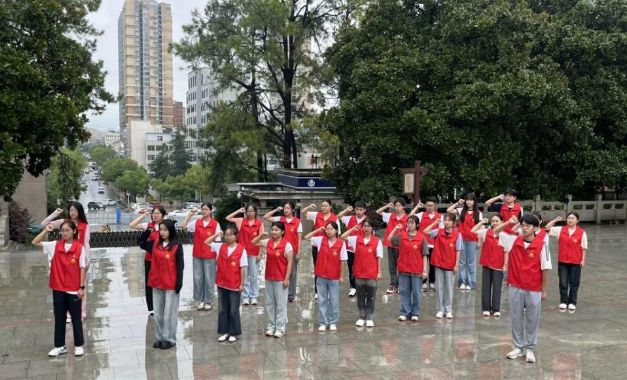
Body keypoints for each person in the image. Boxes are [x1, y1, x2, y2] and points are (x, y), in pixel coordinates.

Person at [497, 215, 552, 364]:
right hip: (515, 285)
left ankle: (529, 348)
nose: (525, 228)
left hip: (533, 288)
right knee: (516, 317)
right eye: (523, 225)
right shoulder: (515, 241)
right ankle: (518, 346)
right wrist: (508, 222)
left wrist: (543, 290)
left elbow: (545, 269)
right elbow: (496, 232)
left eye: (528, 225)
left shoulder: (542, 245)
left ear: (536, 228)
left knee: (533, 319)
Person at [33, 222, 87, 357]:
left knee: (76, 318)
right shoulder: (55, 245)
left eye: (67, 230)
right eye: (62, 231)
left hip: (73, 289)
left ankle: (79, 345)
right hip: (58, 288)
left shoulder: (79, 248)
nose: (64, 233)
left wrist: (81, 287)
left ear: (74, 231)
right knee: (59, 318)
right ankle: (60, 346)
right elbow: (35, 242)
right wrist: (46, 230)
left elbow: (82, 268)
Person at [138, 219, 184, 349]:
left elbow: (180, 267)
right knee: (158, 313)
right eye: (161, 230)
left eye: (165, 230)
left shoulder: (176, 246)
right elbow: (141, 243)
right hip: (156, 284)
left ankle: (169, 339)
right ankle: (159, 337)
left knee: (169, 313)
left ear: (171, 231)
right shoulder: (155, 244)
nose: (163, 232)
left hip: (170, 284)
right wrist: (148, 230)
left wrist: (178, 284)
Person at [42, 202, 91, 320]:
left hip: (79, 258)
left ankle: (81, 313)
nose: (73, 213)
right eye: (71, 210)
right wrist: (55, 213)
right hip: (64, 258)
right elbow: (44, 224)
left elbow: (86, 243)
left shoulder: (85, 226)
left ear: (79, 212)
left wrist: (87, 259)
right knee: (66, 286)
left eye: (75, 210)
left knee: (81, 285)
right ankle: (68, 313)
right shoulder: (64, 222)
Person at [204, 226, 247, 342]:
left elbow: (242, 268)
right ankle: (224, 331)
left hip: (234, 284)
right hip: (222, 283)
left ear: (236, 236)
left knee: (233, 309)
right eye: (227, 234)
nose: (228, 237)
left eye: (231, 234)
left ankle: (233, 332)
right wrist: (217, 235)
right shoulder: (220, 246)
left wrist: (242, 284)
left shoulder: (241, 250)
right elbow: (206, 242)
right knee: (222, 309)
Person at [251, 222, 294, 338]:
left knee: (280, 304)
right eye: (272, 230)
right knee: (270, 303)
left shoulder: (287, 245)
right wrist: (260, 235)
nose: (274, 232)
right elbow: (253, 243)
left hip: (281, 278)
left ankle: (280, 328)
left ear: (283, 232)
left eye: (277, 230)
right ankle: (271, 326)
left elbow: (290, 263)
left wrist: (286, 279)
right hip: (269, 277)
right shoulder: (268, 242)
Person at [304, 221, 347, 332]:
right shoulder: (320, 240)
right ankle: (323, 322)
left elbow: (342, 261)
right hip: (321, 275)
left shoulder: (341, 243)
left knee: (333, 300)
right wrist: (318, 230)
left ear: (336, 230)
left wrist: (341, 276)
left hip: (334, 276)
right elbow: (306, 237)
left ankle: (333, 322)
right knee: (322, 300)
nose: (328, 231)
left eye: (331, 229)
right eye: (327, 229)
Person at [341, 219, 383, 327]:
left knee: (371, 296)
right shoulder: (356, 239)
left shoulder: (377, 241)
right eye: (364, 226)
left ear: (372, 228)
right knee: (360, 296)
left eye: (369, 226)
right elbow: (343, 237)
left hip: (371, 273)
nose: (366, 228)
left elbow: (379, 258)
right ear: (361, 227)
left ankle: (369, 316)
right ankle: (361, 315)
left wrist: (379, 272)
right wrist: (352, 229)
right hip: (359, 273)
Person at [388, 215, 428, 322]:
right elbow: (389, 239)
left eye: (412, 223)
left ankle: (415, 313)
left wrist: (425, 270)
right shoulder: (402, 236)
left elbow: (424, 254)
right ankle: (405, 312)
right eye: (408, 223)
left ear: (417, 225)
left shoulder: (421, 238)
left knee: (416, 292)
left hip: (416, 270)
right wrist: (395, 229)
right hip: (403, 269)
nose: (409, 225)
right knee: (404, 292)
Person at [182, 203, 221, 311]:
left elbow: (217, 242)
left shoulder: (215, 224)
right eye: (202, 209)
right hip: (197, 255)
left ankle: (208, 300)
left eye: (206, 209)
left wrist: (218, 257)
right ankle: (201, 300)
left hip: (210, 255)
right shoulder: (197, 222)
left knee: (209, 278)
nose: (204, 211)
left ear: (211, 211)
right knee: (198, 278)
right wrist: (189, 215)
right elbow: (184, 226)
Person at [545, 213, 587, 311]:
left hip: (576, 261)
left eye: (573, 218)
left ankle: (572, 302)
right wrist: (555, 220)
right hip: (563, 260)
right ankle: (563, 301)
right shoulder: (561, 230)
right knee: (563, 282)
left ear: (577, 220)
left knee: (574, 283)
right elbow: (546, 228)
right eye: (569, 218)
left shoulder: (581, 233)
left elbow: (584, 247)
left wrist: (583, 260)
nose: (570, 220)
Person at [423, 213, 462, 319]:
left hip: (450, 264)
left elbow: (458, 250)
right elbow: (425, 231)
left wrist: (456, 265)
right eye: (445, 220)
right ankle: (440, 309)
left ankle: (448, 310)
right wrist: (434, 223)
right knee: (439, 287)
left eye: (449, 220)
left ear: (454, 223)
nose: (446, 222)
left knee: (449, 288)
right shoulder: (438, 232)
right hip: (439, 263)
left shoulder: (458, 235)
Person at [130, 206, 167, 314]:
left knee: (163, 281)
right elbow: (132, 225)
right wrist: (142, 216)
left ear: (163, 215)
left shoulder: (166, 226)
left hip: (163, 259)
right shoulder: (148, 226)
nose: (155, 215)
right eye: (154, 213)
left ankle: (163, 305)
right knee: (150, 283)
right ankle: (152, 308)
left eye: (158, 213)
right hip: (150, 259)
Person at [264, 202, 303, 302]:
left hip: (292, 251)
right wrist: (276, 210)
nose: (286, 210)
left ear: (293, 210)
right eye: (285, 208)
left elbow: (299, 238)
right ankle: (281, 292)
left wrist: (299, 252)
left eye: (288, 208)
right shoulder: (280, 219)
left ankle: (291, 295)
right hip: (279, 250)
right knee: (281, 272)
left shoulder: (298, 222)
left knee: (292, 274)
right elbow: (266, 217)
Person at [226, 205, 264, 306]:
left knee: (254, 276)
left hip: (254, 252)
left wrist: (260, 253)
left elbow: (260, 239)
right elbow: (228, 218)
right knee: (244, 275)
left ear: (256, 212)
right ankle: (245, 297)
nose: (250, 213)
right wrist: (239, 210)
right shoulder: (241, 221)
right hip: (242, 253)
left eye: (252, 211)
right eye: (248, 211)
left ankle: (254, 296)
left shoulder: (259, 223)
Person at [471, 215, 507, 316]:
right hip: (486, 263)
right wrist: (481, 223)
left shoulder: (504, 235)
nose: (495, 223)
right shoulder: (486, 232)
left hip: (498, 265)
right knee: (486, 287)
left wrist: (505, 264)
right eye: (493, 221)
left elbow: (506, 251)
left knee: (497, 287)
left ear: (502, 222)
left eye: (497, 221)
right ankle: (486, 308)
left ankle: (496, 309)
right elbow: (473, 231)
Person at [302, 200, 339, 298]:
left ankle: (328, 289)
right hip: (317, 245)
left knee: (329, 267)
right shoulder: (316, 215)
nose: (324, 208)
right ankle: (317, 291)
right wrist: (309, 206)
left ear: (330, 207)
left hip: (330, 246)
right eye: (322, 206)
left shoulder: (334, 218)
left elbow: (337, 235)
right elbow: (303, 212)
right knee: (317, 268)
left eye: (326, 206)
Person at [447, 193, 483, 291]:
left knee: (471, 262)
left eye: (471, 200)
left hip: (473, 239)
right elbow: (449, 210)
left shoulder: (478, 213)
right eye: (467, 200)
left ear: (474, 201)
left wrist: (479, 241)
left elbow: (480, 227)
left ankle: (471, 283)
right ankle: (462, 282)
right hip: (461, 239)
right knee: (462, 262)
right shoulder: (461, 210)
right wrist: (458, 203)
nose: (469, 202)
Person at [376, 198, 409, 294]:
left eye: (399, 205)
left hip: (402, 245)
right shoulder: (390, 216)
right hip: (390, 244)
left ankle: (400, 284)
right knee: (392, 265)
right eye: (396, 205)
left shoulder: (407, 219)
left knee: (401, 265)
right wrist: (387, 206)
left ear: (403, 207)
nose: (397, 207)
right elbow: (378, 211)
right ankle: (393, 284)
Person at [338, 200, 368, 297]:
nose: (359, 211)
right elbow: (338, 217)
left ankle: (363, 286)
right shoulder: (349, 218)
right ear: (354, 210)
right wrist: (347, 210)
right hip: (350, 248)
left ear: (364, 210)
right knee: (352, 268)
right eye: (357, 210)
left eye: (361, 210)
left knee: (363, 267)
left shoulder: (367, 221)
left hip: (363, 248)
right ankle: (353, 287)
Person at [415, 197, 442, 291]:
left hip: (435, 244)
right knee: (423, 264)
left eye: (431, 205)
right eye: (427, 205)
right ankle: (423, 282)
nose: (429, 207)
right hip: (423, 243)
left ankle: (432, 282)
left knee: (433, 264)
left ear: (435, 206)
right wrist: (417, 207)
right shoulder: (421, 215)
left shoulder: (440, 217)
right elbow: (410, 216)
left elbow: (441, 231)